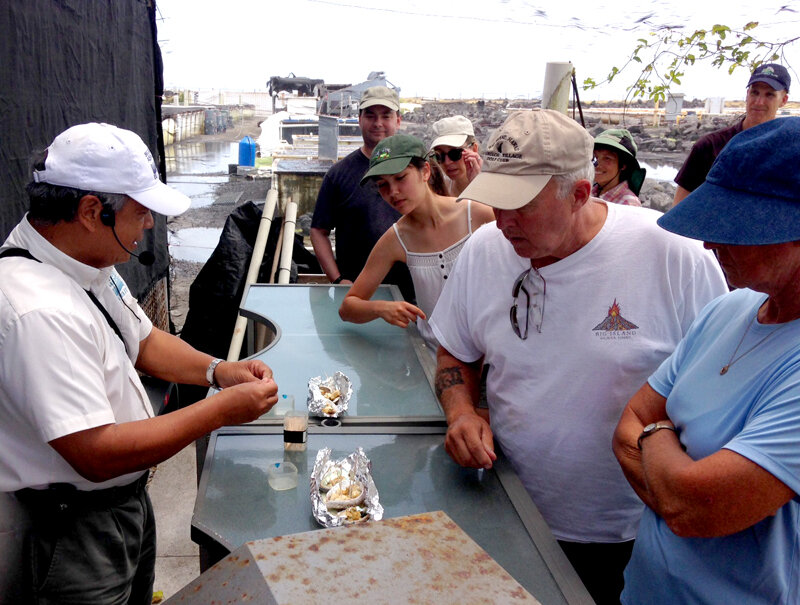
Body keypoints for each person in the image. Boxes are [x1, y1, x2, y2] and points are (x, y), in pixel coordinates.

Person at [429, 109, 727, 604]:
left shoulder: (671, 253)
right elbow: (454, 353)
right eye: (495, 203)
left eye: (520, 206)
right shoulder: (484, 250)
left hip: (636, 532)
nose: (502, 222)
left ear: (580, 194)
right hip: (507, 511)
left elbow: (723, 383)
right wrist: (460, 412)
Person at [0, 123, 279, 604]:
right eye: (141, 211)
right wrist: (220, 411)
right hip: (73, 527)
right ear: (92, 211)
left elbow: (145, 340)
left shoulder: (85, 262)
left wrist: (218, 371)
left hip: (122, 502)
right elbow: (96, 452)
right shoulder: (37, 309)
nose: (148, 224)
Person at [614, 117, 800, 604]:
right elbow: (626, 427)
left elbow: (697, 507)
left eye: (733, 226)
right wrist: (674, 493)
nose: (708, 242)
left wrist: (656, 435)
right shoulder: (727, 307)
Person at [338, 134, 494, 358]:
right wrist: (382, 308)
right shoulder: (396, 239)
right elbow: (348, 307)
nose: (393, 192)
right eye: (383, 185)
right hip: (435, 360)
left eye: (400, 178)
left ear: (426, 172)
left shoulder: (477, 214)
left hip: (488, 356)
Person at [310, 86, 414, 301]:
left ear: (398, 120)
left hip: (411, 296)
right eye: (370, 115)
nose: (378, 123)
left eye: (386, 116)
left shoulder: (416, 170)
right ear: (359, 119)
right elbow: (318, 231)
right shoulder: (338, 174)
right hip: (359, 297)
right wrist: (338, 280)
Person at [673, 63, 790, 205]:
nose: (759, 102)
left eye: (769, 95)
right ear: (747, 94)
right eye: (755, 92)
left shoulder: (787, 153)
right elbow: (679, 206)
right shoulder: (709, 146)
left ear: (783, 100)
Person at [429, 115, 483, 196]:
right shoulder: (439, 190)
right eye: (439, 156)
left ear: (474, 149)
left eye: (455, 153)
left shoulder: (493, 188)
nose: (447, 162)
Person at [592, 128, 645, 206]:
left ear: (623, 165)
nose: (596, 164)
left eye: (607, 158)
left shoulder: (628, 204)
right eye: (595, 157)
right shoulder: (591, 192)